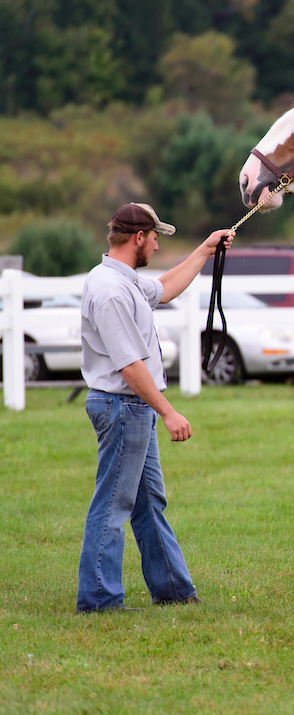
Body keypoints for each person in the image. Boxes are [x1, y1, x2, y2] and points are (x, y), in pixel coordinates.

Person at [76, 203, 233, 613]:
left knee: (148, 503)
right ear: (138, 238)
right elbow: (129, 365)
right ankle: (97, 599)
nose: (159, 246)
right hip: (124, 406)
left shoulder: (122, 280)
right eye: (156, 237)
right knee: (113, 505)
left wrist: (205, 249)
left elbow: (164, 288)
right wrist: (168, 411)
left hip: (131, 408)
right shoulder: (110, 290)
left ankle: (173, 590)